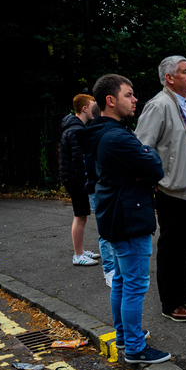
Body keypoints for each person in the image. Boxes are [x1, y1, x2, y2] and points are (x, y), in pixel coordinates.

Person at [79, 73, 170, 364]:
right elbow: (155, 167)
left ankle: (123, 335)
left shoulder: (103, 132)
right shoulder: (117, 136)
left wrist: (143, 158)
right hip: (129, 216)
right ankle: (134, 347)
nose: (134, 100)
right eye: (129, 95)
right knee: (134, 284)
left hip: (115, 214)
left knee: (121, 279)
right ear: (110, 100)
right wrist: (148, 155)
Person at [136, 56, 186, 323]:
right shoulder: (158, 106)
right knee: (172, 246)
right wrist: (161, 178)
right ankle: (170, 302)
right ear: (169, 78)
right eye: (185, 71)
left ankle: (184, 289)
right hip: (171, 190)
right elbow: (143, 149)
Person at [60, 94, 100, 267]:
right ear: (84, 108)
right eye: (92, 106)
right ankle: (78, 255)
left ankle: (81, 250)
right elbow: (79, 160)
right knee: (80, 216)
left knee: (81, 215)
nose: (95, 109)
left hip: (72, 178)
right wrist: (86, 180)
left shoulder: (73, 128)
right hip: (76, 180)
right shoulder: (76, 130)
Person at [82, 100, 117, 287]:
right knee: (105, 231)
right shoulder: (96, 134)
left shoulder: (94, 132)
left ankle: (113, 268)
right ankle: (109, 269)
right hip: (98, 188)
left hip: (98, 187)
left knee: (109, 230)